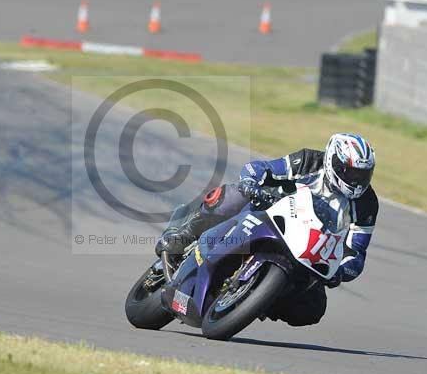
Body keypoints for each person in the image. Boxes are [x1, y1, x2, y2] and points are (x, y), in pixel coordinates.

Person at [155, 133, 378, 327]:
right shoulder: (309, 161)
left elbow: (356, 252)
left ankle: (258, 299)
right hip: (269, 213)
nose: (356, 180)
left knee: (312, 309)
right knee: (233, 195)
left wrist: (339, 272)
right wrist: (251, 184)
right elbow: (261, 168)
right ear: (332, 161)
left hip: (307, 251)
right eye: (349, 172)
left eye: (362, 174)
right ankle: (185, 234)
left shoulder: (367, 203)